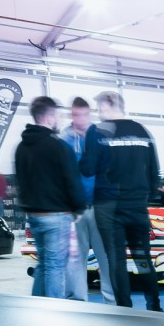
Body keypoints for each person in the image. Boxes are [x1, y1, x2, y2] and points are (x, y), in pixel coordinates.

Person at [79, 91, 163, 312]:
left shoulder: (97, 131)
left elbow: (87, 168)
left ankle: (125, 309)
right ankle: (154, 306)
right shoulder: (142, 131)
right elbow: (154, 170)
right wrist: (145, 197)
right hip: (137, 204)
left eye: (100, 108)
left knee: (116, 258)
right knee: (142, 257)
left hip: (109, 205)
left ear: (107, 106)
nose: (99, 112)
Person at [13, 96, 86, 299]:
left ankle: (37, 307)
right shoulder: (58, 146)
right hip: (57, 215)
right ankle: (54, 311)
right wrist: (79, 207)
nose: (59, 119)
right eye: (57, 115)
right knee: (55, 266)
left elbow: (21, 181)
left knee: (44, 264)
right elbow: (72, 181)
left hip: (34, 215)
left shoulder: (21, 147)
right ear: (49, 117)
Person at [59, 97, 115, 303]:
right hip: (75, 210)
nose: (80, 119)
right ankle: (78, 302)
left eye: (83, 114)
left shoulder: (101, 137)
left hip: (101, 206)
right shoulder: (64, 140)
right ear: (71, 115)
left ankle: (112, 302)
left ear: (89, 114)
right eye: (76, 114)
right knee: (75, 259)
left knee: (105, 257)